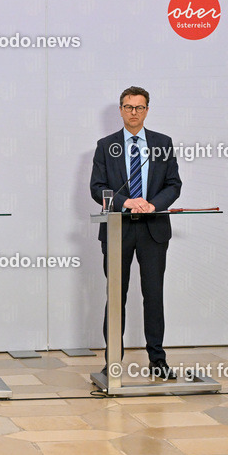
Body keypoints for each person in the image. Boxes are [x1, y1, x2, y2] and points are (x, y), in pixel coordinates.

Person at [89, 86, 182, 381]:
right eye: (128, 107)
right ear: (120, 110)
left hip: (153, 230)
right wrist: (126, 202)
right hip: (118, 231)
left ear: (147, 110)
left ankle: (158, 359)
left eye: (139, 107)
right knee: (116, 296)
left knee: (153, 296)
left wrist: (152, 204)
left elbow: (173, 185)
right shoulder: (106, 145)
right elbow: (96, 188)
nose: (133, 112)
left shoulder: (162, 143)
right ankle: (112, 360)